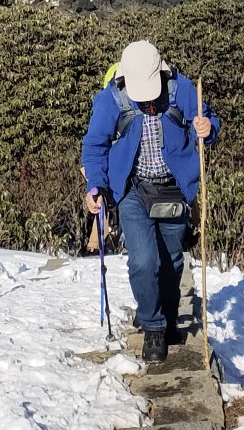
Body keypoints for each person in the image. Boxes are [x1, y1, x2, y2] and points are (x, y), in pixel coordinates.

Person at [80, 39, 219, 363]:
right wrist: (96, 186)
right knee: (143, 262)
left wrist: (206, 127)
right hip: (132, 190)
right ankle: (154, 328)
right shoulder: (110, 99)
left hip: (174, 189)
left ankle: (168, 320)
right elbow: (95, 145)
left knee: (171, 261)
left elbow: (210, 121)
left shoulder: (180, 88)